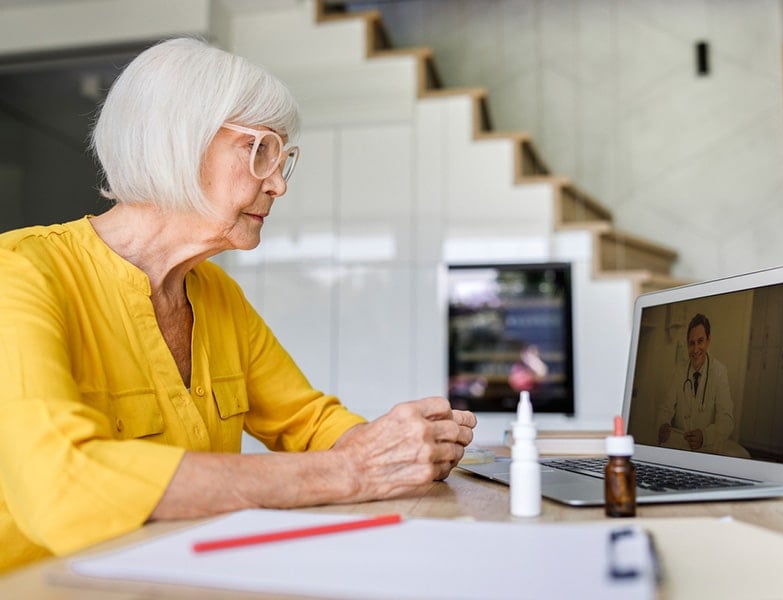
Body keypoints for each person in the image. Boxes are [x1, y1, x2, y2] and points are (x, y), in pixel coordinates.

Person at [0, 37, 476, 573]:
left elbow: (307, 420)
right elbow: (62, 484)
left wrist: (399, 447)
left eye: (281, 157)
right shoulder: (17, 273)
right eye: (259, 150)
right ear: (176, 142)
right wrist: (351, 471)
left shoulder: (218, 295)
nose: (277, 183)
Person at [656, 313, 734, 452]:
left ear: (708, 341)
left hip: (706, 448)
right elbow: (666, 408)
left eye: (700, 341)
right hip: (681, 444)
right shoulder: (680, 371)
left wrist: (705, 436)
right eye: (691, 343)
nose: (695, 349)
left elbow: (727, 420)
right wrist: (663, 424)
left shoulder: (719, 372)